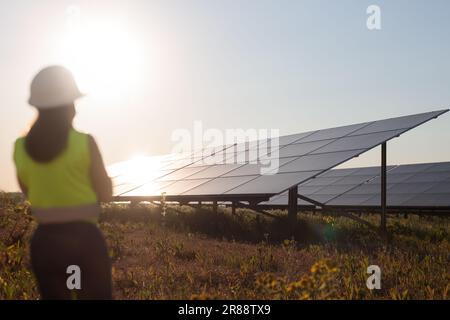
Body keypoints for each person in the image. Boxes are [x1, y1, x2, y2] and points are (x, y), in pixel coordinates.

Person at [13, 66, 113, 300]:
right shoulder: (84, 143)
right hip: (84, 243)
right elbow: (106, 193)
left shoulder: (20, 148)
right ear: (70, 106)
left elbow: (28, 190)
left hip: (45, 245)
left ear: (37, 105)